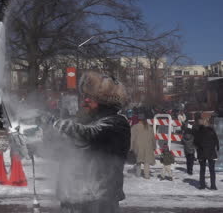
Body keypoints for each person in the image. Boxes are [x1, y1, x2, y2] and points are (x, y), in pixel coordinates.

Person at [51, 71, 130, 213]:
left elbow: (87, 135)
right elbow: (65, 149)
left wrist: (53, 123)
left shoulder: (116, 124)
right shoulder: (88, 121)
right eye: (85, 97)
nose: (84, 101)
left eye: (89, 97)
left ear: (104, 101)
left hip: (98, 199)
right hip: (74, 197)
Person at [193, 115, 220, 190]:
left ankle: (202, 185)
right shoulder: (211, 130)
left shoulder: (198, 131)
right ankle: (213, 186)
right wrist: (217, 148)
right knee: (211, 170)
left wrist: (198, 148)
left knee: (203, 169)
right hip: (211, 153)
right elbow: (216, 140)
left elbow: (195, 142)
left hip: (202, 153)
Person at [130, 107, 156, 179]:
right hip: (148, 146)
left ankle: (138, 174)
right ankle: (146, 175)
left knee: (138, 161)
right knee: (146, 161)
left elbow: (132, 138)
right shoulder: (149, 127)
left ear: (138, 119)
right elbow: (153, 138)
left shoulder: (134, 127)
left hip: (138, 146)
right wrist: (154, 146)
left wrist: (131, 147)